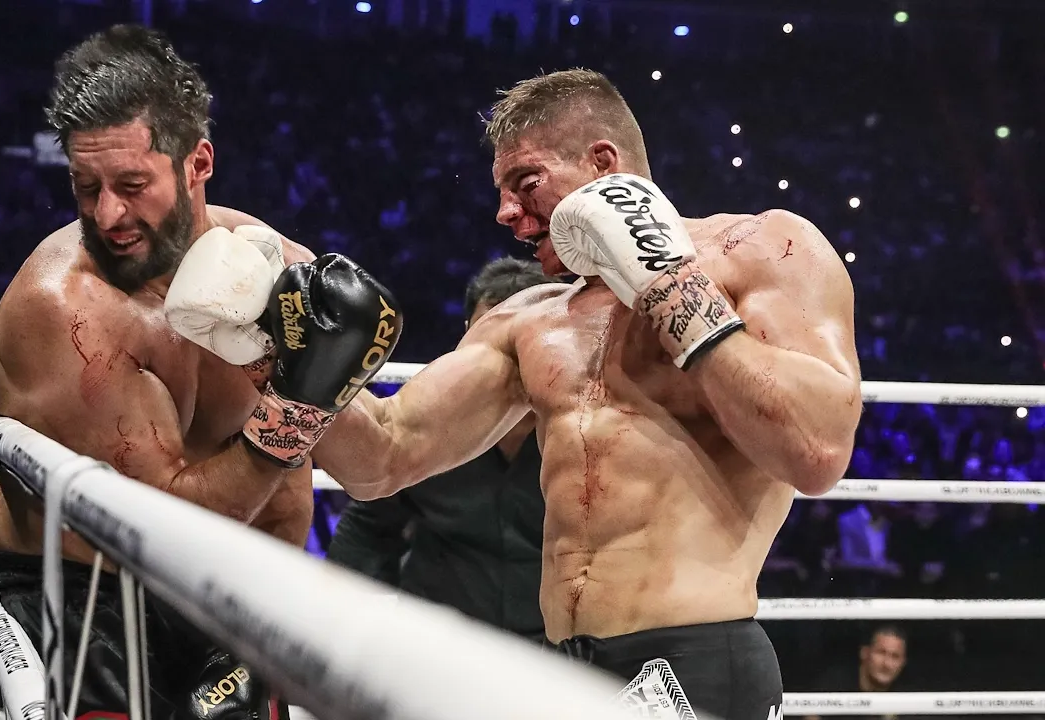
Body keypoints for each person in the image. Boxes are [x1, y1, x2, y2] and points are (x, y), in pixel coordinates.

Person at [310, 68, 861, 720]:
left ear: (603, 162)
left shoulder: (760, 249)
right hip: (562, 667)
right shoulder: (532, 319)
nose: (505, 212)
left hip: (694, 657)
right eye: (501, 193)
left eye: (526, 183)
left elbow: (818, 449)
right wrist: (296, 367)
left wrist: (672, 289)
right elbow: (384, 456)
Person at [0, 25, 399, 720]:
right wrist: (295, 408)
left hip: (238, 593)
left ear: (198, 162)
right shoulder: (64, 310)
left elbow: (339, 474)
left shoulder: (270, 264)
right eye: (86, 187)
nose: (107, 213)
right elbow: (163, 529)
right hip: (95, 601)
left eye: (132, 184)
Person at [327, 258, 563, 641]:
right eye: (493, 343)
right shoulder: (426, 423)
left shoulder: (588, 432)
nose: (506, 362)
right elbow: (367, 530)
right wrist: (340, 629)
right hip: (435, 642)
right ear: (468, 338)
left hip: (556, 652)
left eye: (521, 346)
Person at [802, 625, 909, 720]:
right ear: (865, 653)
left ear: (903, 662)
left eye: (895, 656)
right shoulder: (834, 684)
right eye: (881, 652)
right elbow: (811, 715)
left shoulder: (910, 696)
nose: (887, 664)